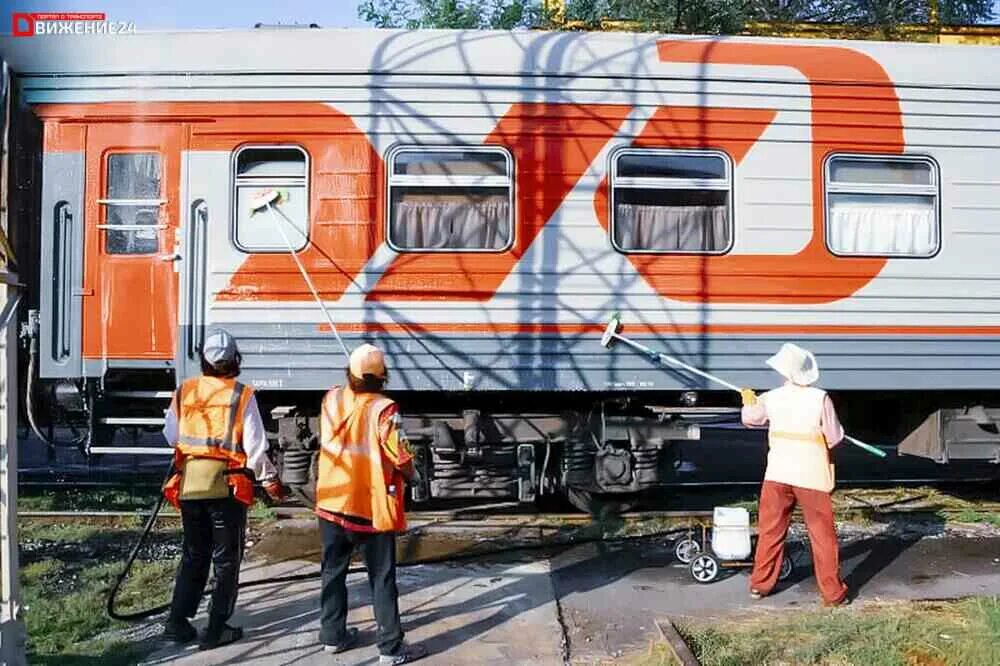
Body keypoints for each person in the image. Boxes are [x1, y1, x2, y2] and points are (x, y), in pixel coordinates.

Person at [161, 328, 287, 649]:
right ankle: (216, 628)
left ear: (203, 360)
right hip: (226, 488)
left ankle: (177, 622)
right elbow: (256, 448)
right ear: (235, 360)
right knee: (226, 559)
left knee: (193, 554)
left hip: (190, 484)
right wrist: (270, 480)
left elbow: (171, 435)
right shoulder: (241, 395)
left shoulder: (184, 390)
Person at [315, 343, 427, 665]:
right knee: (381, 577)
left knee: (332, 572)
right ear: (382, 378)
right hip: (368, 507)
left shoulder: (331, 398)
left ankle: (333, 637)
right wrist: (413, 475)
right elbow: (400, 454)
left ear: (349, 374)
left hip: (331, 501)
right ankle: (390, 649)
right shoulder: (384, 409)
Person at [740, 342, 850, 607]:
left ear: (785, 373)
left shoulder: (771, 397)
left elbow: (751, 419)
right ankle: (833, 595)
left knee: (771, 531)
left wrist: (749, 401)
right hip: (811, 476)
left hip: (777, 473)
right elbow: (834, 438)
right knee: (822, 535)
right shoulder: (820, 398)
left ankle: (760, 585)